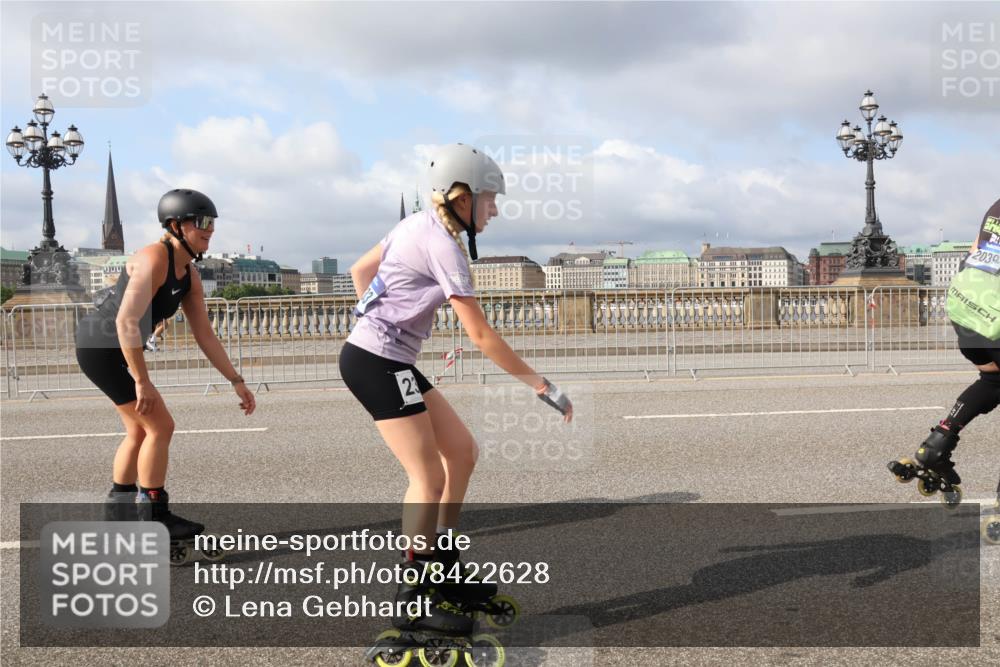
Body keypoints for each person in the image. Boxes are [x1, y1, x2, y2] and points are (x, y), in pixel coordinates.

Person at [340, 144, 572, 637]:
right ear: (462, 198)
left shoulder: (415, 226)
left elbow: (362, 271)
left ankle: (442, 561)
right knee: (427, 477)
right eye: (490, 199)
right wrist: (541, 385)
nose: (495, 209)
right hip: (376, 360)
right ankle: (413, 597)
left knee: (462, 452)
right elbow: (481, 335)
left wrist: (376, 317)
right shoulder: (445, 246)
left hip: (386, 356)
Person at [75, 189, 256, 542]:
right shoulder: (152, 258)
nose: (209, 230)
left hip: (115, 349)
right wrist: (142, 381)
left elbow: (205, 335)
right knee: (161, 425)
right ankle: (154, 514)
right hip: (101, 345)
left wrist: (236, 380)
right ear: (175, 225)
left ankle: (120, 510)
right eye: (202, 223)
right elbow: (127, 322)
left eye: (213, 223)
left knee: (139, 430)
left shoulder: (189, 275)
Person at [889, 197, 1000, 504]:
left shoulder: (996, 207)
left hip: (967, 307)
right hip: (997, 317)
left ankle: (935, 446)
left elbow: (976, 250)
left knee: (993, 380)